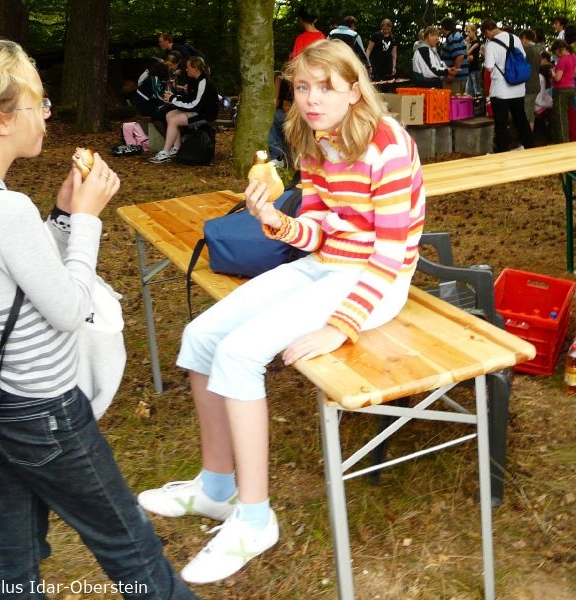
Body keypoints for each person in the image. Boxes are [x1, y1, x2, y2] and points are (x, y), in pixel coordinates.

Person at [0, 39, 197, 600]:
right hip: (46, 413)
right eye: (40, 104)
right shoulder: (2, 207)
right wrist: (86, 221)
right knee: (131, 547)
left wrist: (58, 216)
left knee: (15, 551)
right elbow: (69, 309)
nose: (48, 115)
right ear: (3, 120)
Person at [137, 38, 425, 585]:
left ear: (355, 90)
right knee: (200, 336)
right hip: (326, 264)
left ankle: (254, 520)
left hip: (376, 281)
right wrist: (276, 221)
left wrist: (340, 326)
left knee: (240, 354)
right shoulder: (314, 137)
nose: (311, 99)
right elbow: (316, 230)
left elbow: (389, 255)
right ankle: (216, 487)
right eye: (303, 87)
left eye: (326, 88)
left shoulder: (387, 143)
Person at [149, 55, 219, 163]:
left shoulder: (203, 82)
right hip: (198, 110)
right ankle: (176, 148)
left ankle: (165, 152)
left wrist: (172, 99)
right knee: (169, 115)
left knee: (174, 120)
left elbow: (194, 105)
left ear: (195, 68)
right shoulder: (195, 80)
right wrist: (174, 97)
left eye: (188, 67)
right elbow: (189, 99)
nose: (186, 69)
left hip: (206, 114)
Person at [481, 18, 535, 152]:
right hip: (518, 88)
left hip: (500, 90)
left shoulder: (491, 45)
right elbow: (522, 57)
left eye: (485, 34)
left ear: (487, 31)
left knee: (501, 123)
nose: (486, 37)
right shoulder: (514, 38)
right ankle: (531, 148)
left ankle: (502, 151)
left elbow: (489, 67)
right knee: (521, 119)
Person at [550, 39, 576, 143]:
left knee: (561, 117)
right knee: (570, 114)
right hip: (571, 87)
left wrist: (552, 73)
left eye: (555, 52)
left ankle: (563, 141)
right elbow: (575, 73)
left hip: (561, 90)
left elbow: (558, 78)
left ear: (559, 49)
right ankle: (571, 138)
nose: (556, 55)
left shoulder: (563, 60)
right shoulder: (573, 57)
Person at [268, 70, 292, 167]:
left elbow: (278, 104)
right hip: (291, 114)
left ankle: (277, 157)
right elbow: (285, 105)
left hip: (298, 116)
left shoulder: (285, 79)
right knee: (274, 117)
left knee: (273, 118)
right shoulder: (286, 80)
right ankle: (278, 157)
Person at [440, 17, 469, 93]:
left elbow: (459, 56)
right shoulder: (456, 36)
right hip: (458, 78)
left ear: (443, 27)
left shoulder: (453, 38)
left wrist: (452, 75)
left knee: (453, 99)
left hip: (455, 80)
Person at [521, 29, 542, 130]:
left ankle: (526, 138)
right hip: (536, 84)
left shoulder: (525, 49)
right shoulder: (538, 49)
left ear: (524, 37)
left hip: (527, 86)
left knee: (525, 115)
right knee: (530, 114)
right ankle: (529, 136)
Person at [366, 18, 397, 82]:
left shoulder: (393, 38)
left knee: (388, 84)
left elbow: (394, 53)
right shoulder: (376, 35)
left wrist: (394, 67)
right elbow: (369, 49)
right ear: (382, 27)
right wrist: (368, 64)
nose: (386, 30)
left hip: (388, 65)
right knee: (376, 84)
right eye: (384, 29)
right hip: (376, 65)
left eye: (388, 29)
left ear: (391, 28)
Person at [465, 23, 484, 96]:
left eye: (469, 32)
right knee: (468, 91)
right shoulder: (471, 43)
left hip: (475, 69)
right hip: (470, 69)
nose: (468, 34)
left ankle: (479, 102)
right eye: (467, 32)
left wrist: (467, 44)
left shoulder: (477, 43)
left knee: (477, 90)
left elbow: (467, 53)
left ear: (474, 31)